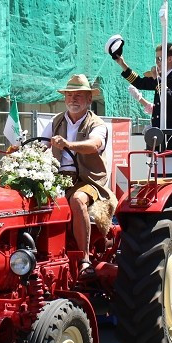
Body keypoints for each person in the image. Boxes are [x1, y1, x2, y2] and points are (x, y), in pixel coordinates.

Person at [41, 74, 118, 270]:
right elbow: (41, 145)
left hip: (88, 181)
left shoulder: (97, 124)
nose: (73, 99)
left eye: (79, 95)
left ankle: (84, 259)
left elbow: (94, 145)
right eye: (69, 95)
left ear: (89, 99)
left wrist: (69, 144)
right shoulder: (56, 121)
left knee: (77, 199)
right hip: (58, 179)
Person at [113, 42, 172, 150]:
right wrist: (122, 64)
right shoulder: (161, 77)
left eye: (159, 59)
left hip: (170, 136)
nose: (156, 62)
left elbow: (169, 98)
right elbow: (139, 83)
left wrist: (157, 79)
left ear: (169, 59)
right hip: (157, 134)